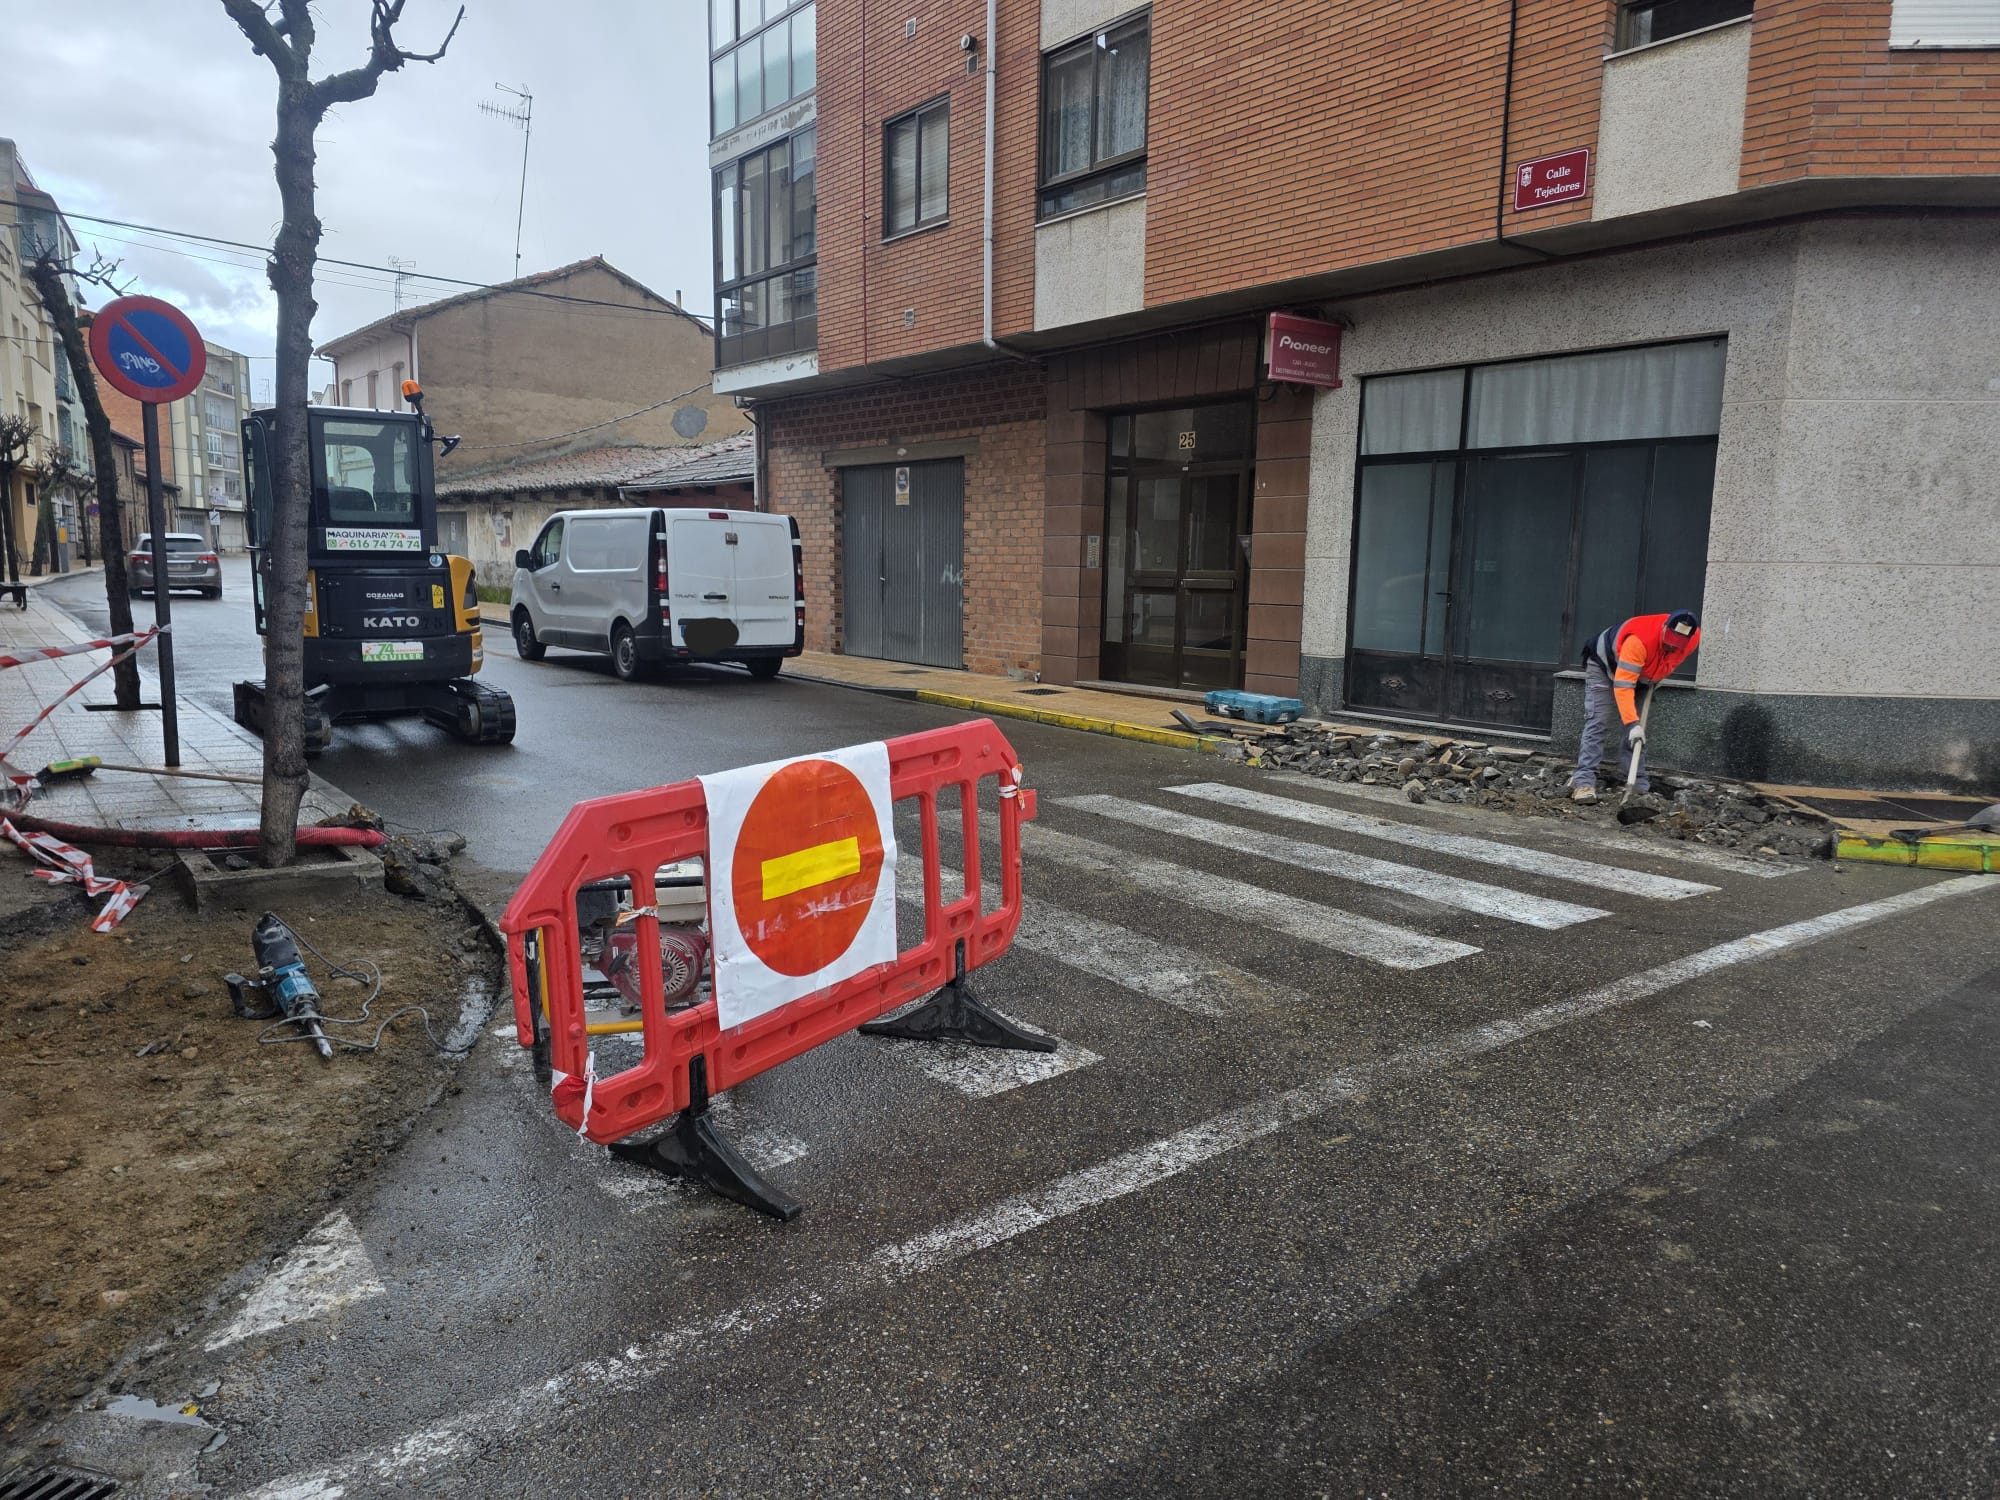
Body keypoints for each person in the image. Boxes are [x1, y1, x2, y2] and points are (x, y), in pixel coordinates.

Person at [1570, 609, 1701, 803]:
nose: (1672, 646)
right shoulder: (1638, 641)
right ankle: (1584, 781)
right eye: (1669, 641)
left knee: (1639, 731)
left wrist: (1653, 679)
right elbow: (1623, 685)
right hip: (1604, 664)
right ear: (1664, 628)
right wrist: (1632, 723)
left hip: (1641, 675)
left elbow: (1670, 661)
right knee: (1599, 720)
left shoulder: (1693, 638)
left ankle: (1637, 783)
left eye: (1677, 644)